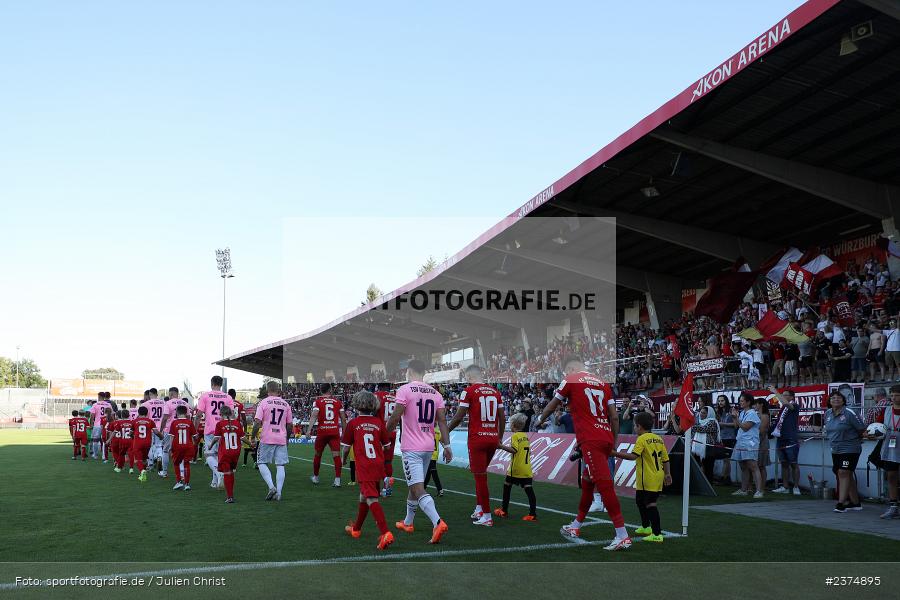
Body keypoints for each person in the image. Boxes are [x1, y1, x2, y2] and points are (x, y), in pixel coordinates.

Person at [536, 355, 630, 551]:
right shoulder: (604, 383)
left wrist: (539, 419)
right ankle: (576, 526)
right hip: (604, 437)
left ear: (571, 367)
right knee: (588, 484)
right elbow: (614, 417)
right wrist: (613, 442)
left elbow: (554, 404)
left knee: (605, 487)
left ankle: (622, 534)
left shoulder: (571, 379)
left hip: (591, 440)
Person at [386, 359, 452, 544]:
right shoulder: (435, 393)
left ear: (409, 371)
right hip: (428, 447)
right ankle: (408, 522)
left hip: (412, 448)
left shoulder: (405, 390)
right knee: (414, 485)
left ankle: (437, 522)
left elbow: (395, 415)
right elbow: (442, 422)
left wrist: (384, 433)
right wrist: (447, 446)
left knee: (417, 487)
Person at [447, 364, 504, 526]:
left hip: (477, 439)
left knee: (480, 478)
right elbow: (502, 417)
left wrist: (446, 432)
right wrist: (498, 438)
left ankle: (487, 516)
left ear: (470, 377)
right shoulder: (495, 392)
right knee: (480, 475)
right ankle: (480, 508)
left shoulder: (469, 391)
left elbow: (458, 417)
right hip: (492, 438)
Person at [341, 390, 394, 551]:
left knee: (371, 498)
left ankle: (385, 532)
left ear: (356, 405)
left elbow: (345, 448)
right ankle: (356, 529)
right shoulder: (379, 423)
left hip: (364, 467)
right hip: (377, 465)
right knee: (364, 496)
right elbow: (387, 446)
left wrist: (343, 460)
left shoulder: (353, 423)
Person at [613, 412, 672, 543]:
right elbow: (665, 459)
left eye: (634, 426)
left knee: (650, 504)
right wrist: (667, 474)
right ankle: (646, 527)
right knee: (640, 500)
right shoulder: (658, 438)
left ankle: (657, 534)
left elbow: (634, 456)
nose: (634, 428)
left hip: (648, 477)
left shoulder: (641, 439)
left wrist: (614, 453)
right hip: (654, 476)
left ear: (639, 426)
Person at [823, 389, 865, 512]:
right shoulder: (828, 413)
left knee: (843, 472)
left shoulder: (850, 412)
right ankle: (856, 503)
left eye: (839, 398)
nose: (836, 399)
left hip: (850, 448)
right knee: (845, 473)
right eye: (833, 398)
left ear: (843, 400)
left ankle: (841, 503)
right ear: (829, 401)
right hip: (835, 449)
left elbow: (861, 428)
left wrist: (858, 438)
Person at [252, 380, 293, 501]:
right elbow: (290, 425)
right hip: (281, 437)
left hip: (267, 437)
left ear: (267, 390)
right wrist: (287, 438)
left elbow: (257, 423)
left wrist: (253, 436)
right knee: (280, 465)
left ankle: (271, 487)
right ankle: (279, 493)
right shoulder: (286, 404)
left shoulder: (263, 403)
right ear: (278, 390)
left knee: (261, 462)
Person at [494, 413, 537, 521]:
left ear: (513, 425)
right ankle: (532, 514)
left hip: (516, 468)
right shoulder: (525, 436)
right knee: (529, 490)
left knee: (507, 486)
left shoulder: (515, 436)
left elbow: (514, 450)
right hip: (527, 468)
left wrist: (501, 446)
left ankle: (504, 510)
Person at [194, 376, 235, 489]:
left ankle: (219, 473)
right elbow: (232, 415)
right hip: (224, 428)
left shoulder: (205, 395)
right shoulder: (228, 397)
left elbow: (198, 415)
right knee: (218, 456)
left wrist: (194, 429)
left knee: (208, 455)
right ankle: (214, 481)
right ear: (221, 384)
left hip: (210, 429)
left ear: (212, 383)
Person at [305, 383, 346, 487]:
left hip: (322, 432)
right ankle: (337, 480)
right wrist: (345, 432)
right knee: (336, 456)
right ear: (330, 390)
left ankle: (316, 477)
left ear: (321, 391)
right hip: (334, 432)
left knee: (318, 454)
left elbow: (314, 415)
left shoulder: (318, 402)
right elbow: (343, 418)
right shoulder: (338, 402)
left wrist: (309, 430)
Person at [872, 384, 900, 519]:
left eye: (897, 395)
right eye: (892, 395)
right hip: (890, 447)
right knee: (891, 476)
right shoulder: (887, 410)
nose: (894, 398)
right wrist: (871, 432)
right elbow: (878, 425)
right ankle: (893, 506)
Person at [731, 392, 763, 498]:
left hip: (750, 442)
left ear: (748, 402)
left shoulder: (752, 413)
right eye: (739, 401)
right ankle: (743, 489)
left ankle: (759, 491)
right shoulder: (742, 412)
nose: (740, 403)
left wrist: (737, 419)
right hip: (741, 441)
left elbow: (745, 427)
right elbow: (737, 426)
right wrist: (734, 417)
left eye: (742, 401)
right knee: (743, 466)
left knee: (753, 466)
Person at [769, 387, 801, 495]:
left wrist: (776, 392)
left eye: (785, 395)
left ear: (792, 397)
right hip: (781, 438)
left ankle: (796, 487)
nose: (782, 397)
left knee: (793, 463)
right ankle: (785, 486)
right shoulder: (782, 409)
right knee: (784, 464)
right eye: (782, 395)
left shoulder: (794, 406)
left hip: (790, 438)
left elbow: (788, 404)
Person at [212, 406, 245, 503]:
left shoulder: (220, 424)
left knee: (226, 473)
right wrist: (250, 444)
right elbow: (242, 438)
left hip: (225, 452)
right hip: (236, 452)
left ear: (221, 414)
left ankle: (230, 496)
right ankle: (231, 494)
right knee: (231, 472)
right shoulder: (237, 423)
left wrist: (210, 445)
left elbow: (216, 438)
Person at [159, 388, 189, 479]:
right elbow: (188, 417)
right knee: (181, 451)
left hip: (170, 430)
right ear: (177, 393)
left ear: (171, 393)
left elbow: (165, 418)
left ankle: (164, 472)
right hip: (182, 429)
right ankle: (182, 473)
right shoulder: (185, 403)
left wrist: (161, 430)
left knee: (165, 450)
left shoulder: (168, 403)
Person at [374, 383, 397, 496]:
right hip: (392, 432)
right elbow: (399, 415)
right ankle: (387, 489)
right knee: (388, 461)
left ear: (380, 387)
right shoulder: (395, 397)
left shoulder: (377, 395)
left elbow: (373, 410)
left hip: (380, 432)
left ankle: (376, 488)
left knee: (376, 460)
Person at [168, 405, 197, 491]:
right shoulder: (190, 422)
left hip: (177, 446)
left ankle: (179, 482)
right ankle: (187, 484)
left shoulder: (174, 423)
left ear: (177, 412)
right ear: (186, 413)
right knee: (186, 464)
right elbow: (195, 436)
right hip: (188, 446)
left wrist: (170, 447)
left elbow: (172, 437)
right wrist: (194, 442)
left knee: (176, 463)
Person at [690, 405, 720, 482]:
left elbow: (703, 429)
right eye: (701, 412)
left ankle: (709, 485)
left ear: (709, 414)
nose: (701, 414)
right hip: (697, 448)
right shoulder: (699, 421)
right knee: (697, 466)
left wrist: (691, 424)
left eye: (704, 413)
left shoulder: (713, 422)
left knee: (708, 467)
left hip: (709, 448)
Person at [143, 389, 167, 474]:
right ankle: (159, 457)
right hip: (161, 427)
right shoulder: (164, 403)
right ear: (157, 394)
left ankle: (150, 464)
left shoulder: (146, 404)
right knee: (159, 446)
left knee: (150, 445)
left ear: (150, 394)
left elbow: (143, 416)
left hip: (150, 427)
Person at [132, 406, 157, 482]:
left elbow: (130, 432)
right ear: (147, 413)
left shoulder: (135, 421)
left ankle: (142, 471)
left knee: (137, 460)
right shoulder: (150, 421)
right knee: (144, 459)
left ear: (138, 413)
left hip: (138, 442)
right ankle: (143, 475)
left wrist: (132, 436)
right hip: (147, 443)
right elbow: (156, 432)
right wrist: (161, 436)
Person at [716, 394, 736, 484]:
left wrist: (723, 424)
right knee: (725, 459)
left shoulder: (731, 410)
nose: (720, 402)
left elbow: (736, 425)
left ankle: (724, 477)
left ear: (726, 401)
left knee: (726, 459)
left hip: (730, 437)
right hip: (722, 437)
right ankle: (726, 478)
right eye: (719, 401)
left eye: (722, 401)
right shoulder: (720, 412)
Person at [88, 392, 113, 461]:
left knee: (95, 440)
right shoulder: (108, 404)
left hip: (97, 424)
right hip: (106, 425)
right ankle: (104, 456)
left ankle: (95, 455)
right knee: (105, 440)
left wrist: (91, 424)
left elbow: (92, 415)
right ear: (104, 397)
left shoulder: (95, 404)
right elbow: (112, 414)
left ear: (99, 396)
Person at [423, 429, 444, 497]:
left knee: (433, 472)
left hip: (429, 454)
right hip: (434, 454)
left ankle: (440, 489)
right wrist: (446, 448)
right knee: (429, 472)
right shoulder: (438, 430)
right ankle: (423, 487)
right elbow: (442, 441)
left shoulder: (428, 429)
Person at [755, 398, 771, 484]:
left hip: (761, 443)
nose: (755, 406)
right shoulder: (756, 414)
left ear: (761, 404)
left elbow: (762, 432)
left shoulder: (764, 416)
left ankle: (762, 487)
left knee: (761, 466)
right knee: (755, 466)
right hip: (756, 442)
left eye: (756, 404)